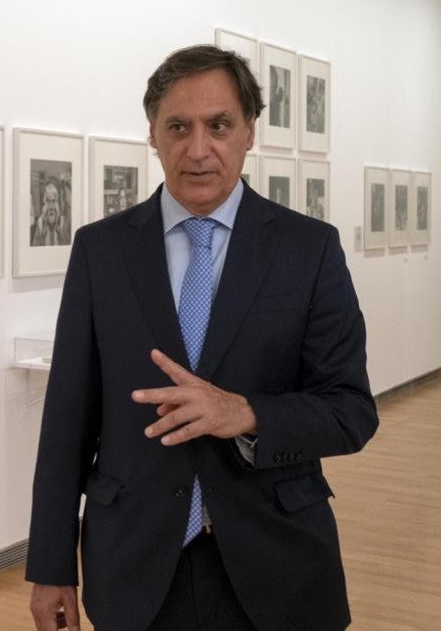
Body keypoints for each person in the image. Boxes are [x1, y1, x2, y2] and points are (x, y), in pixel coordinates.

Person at [27, 45, 377, 631]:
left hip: (278, 564)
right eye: (178, 127)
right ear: (152, 135)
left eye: (218, 125)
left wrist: (244, 412)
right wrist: (50, 564)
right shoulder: (101, 251)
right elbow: (67, 420)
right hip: (135, 567)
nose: (197, 150)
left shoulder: (308, 249)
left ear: (249, 132)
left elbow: (350, 411)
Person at [31, 180, 68, 246]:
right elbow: (35, 247)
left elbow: (68, 247)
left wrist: (59, 233)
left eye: (53, 201)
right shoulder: (40, 223)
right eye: (48, 201)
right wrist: (43, 235)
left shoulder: (62, 222)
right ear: (45, 202)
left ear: (57, 203)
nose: (51, 207)